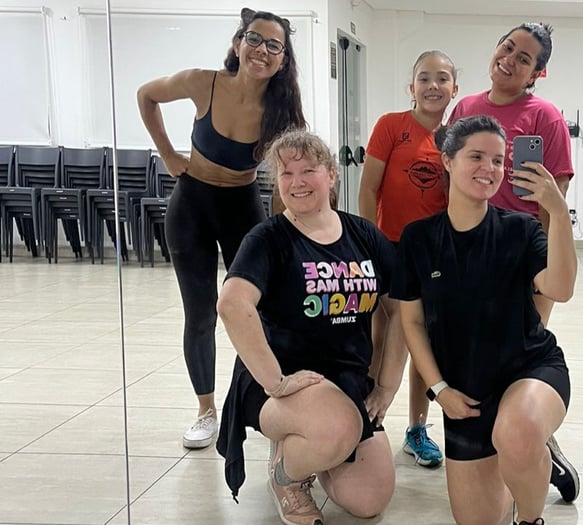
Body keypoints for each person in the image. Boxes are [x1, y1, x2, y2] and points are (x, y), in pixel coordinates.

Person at [392, 115, 576, 525]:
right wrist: (439, 389)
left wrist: (558, 212)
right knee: (476, 519)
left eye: (497, 160)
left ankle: (530, 510)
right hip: (467, 392)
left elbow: (560, 288)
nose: (489, 169)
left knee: (517, 434)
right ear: (447, 161)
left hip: (529, 371)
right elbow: (413, 324)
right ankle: (532, 455)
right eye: (476, 156)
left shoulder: (521, 229)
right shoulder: (419, 239)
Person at [136, 9, 306, 449]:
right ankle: (206, 410)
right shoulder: (203, 83)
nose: (262, 51)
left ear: (283, 60)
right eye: (254, 39)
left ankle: (266, 401)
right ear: (238, 43)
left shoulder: (283, 110)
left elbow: (291, 169)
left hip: (242, 208)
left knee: (263, 312)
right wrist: (167, 153)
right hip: (191, 205)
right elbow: (146, 95)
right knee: (201, 314)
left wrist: (290, 227)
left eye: (274, 45)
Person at [216, 130, 403, 525]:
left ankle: (312, 444)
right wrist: (275, 382)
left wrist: (386, 385)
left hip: (347, 379)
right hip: (286, 381)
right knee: (336, 427)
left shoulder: (363, 235)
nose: (297, 182)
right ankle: (287, 475)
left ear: (331, 175)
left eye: (308, 170)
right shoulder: (268, 239)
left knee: (369, 500)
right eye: (286, 173)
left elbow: (400, 309)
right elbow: (232, 304)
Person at [448, 22, 579, 502]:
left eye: (523, 58)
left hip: (523, 258)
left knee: (520, 354)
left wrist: (539, 270)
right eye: (507, 48)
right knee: (473, 355)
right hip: (466, 256)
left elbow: (554, 199)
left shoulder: (545, 117)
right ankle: (507, 443)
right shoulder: (465, 108)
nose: (509, 60)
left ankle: (536, 439)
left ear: (537, 73)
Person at [359, 50, 457, 468]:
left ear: (455, 88)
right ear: (411, 87)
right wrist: (368, 243)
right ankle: (366, 415)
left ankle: (416, 428)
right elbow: (368, 189)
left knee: (421, 339)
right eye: (424, 78)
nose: (433, 85)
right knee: (383, 331)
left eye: (443, 78)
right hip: (388, 246)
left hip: (433, 253)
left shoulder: (455, 136)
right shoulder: (390, 126)